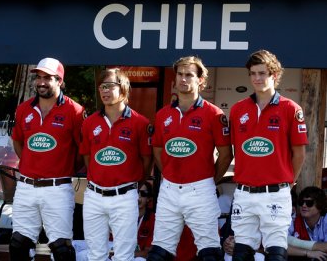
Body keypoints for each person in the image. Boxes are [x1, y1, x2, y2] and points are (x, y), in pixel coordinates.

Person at [147, 56, 233, 261]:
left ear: (201, 80)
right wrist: (169, 173)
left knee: (209, 253)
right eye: (180, 74)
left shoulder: (214, 114)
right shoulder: (162, 114)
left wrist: (210, 180)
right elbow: (158, 151)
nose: (183, 79)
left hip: (201, 190)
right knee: (159, 253)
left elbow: (226, 154)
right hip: (169, 189)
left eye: (189, 75)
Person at [229, 49, 309, 261]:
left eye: (262, 73)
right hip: (244, 193)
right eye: (253, 73)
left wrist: (288, 182)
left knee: (275, 253)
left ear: (274, 75)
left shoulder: (290, 109)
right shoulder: (238, 110)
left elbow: (299, 154)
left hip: (275, 193)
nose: (257, 78)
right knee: (240, 253)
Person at [10, 57, 87, 261]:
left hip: (58, 188)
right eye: (39, 77)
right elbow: (18, 143)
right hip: (26, 187)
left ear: (59, 80)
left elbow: (83, 151)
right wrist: (31, 162)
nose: (41, 82)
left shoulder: (75, 110)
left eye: (48, 78)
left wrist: (62, 168)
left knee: (62, 249)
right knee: (18, 244)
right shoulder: (24, 109)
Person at [79, 68, 152, 261]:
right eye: (102, 86)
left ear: (124, 89)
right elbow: (88, 158)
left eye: (110, 85)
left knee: (124, 256)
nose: (104, 90)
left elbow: (147, 161)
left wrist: (131, 183)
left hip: (125, 197)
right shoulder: (89, 123)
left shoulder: (140, 123)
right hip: (94, 195)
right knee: (95, 255)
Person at [288, 186, 327, 261]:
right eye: (301, 202)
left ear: (320, 206)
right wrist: (307, 252)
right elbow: (280, 245)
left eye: (309, 203)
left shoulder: (325, 220)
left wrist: (294, 243)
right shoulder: (293, 221)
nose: (304, 205)